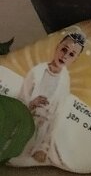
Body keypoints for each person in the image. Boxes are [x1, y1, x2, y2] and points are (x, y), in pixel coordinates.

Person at [14, 31, 85, 165]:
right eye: (64, 50)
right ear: (57, 47)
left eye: (71, 54)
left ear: (75, 59)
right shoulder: (36, 72)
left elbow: (57, 117)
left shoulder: (65, 82)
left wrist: (44, 147)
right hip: (25, 123)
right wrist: (32, 103)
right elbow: (19, 102)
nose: (65, 56)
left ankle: (40, 149)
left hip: (44, 131)